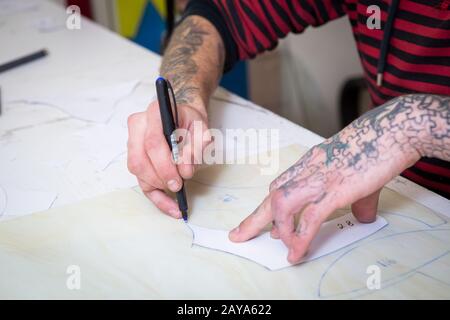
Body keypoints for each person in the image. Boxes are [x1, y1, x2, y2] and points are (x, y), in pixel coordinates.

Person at [127, 0, 450, 264]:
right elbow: (220, 15)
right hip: (402, 204)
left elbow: (409, 124)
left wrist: (411, 124)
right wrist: (185, 97)